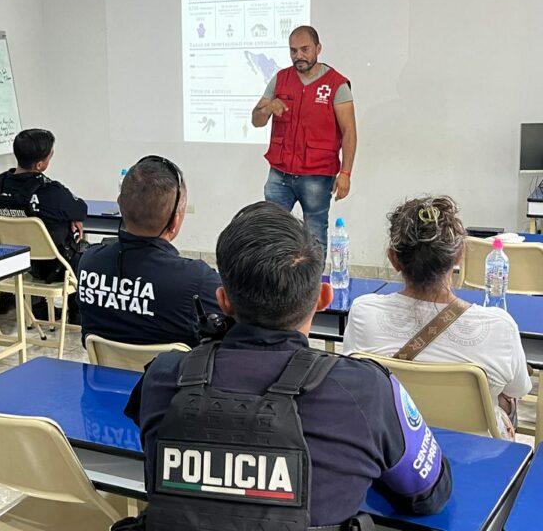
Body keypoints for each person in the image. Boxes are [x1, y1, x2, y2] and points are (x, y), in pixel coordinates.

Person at [123, 202, 451, 530]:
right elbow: (428, 494)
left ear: (223, 302)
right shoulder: (366, 392)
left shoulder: (163, 378)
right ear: (323, 299)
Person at [344, 196, 531, 438]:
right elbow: (519, 388)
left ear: (394, 259)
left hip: (393, 446)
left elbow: (355, 377)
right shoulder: (499, 326)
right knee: (506, 396)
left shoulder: (362, 312)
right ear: (459, 256)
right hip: (475, 452)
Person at [77, 156, 221, 348]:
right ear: (175, 221)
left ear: (120, 204)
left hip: (103, 377)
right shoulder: (197, 280)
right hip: (170, 377)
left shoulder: (89, 262)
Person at [251, 26, 357, 255]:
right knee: (272, 232)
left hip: (317, 175)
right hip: (279, 173)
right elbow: (256, 120)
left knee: (315, 234)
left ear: (318, 48)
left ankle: (312, 288)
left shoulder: (336, 84)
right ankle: (274, 283)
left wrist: (346, 173)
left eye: (305, 49)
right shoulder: (280, 79)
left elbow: (349, 131)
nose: (299, 55)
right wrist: (268, 108)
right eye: (293, 51)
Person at [0, 128, 87, 318]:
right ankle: (78, 314)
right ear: (40, 164)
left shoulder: (0, 183)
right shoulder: (50, 191)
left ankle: (40, 308)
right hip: (55, 267)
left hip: (17, 264)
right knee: (88, 254)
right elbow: (81, 209)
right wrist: (70, 217)